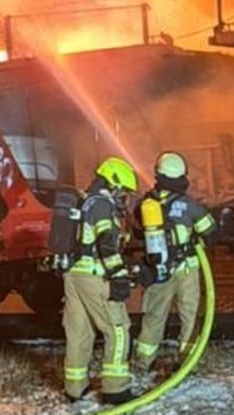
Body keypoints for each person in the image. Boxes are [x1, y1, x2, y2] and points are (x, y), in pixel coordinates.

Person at [62, 156, 139, 405]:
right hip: (94, 275)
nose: (124, 197)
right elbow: (106, 242)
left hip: (73, 275)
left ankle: (75, 388)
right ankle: (116, 390)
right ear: (113, 184)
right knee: (117, 330)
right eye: (124, 191)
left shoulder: (84, 202)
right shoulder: (103, 205)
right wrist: (118, 275)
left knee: (79, 332)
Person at [133, 151, 216, 374]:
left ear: (158, 174)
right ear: (182, 177)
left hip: (158, 270)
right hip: (187, 268)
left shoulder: (146, 204)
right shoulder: (190, 205)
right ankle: (188, 360)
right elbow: (210, 231)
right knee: (190, 315)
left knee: (154, 315)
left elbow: (138, 230)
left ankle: (143, 361)